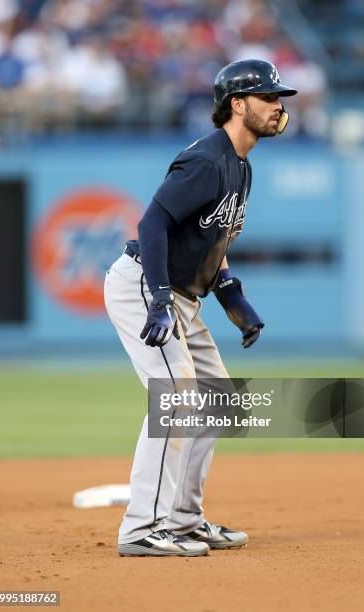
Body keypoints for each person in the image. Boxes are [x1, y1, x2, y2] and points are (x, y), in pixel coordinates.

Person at [104, 58, 297, 557]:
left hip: (183, 296)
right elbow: (152, 225)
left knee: (216, 398)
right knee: (178, 398)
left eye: (280, 99)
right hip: (147, 285)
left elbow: (213, 237)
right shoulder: (208, 159)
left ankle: (184, 519)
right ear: (238, 105)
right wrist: (162, 298)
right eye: (269, 97)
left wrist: (231, 291)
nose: (279, 106)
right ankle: (142, 528)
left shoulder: (241, 165)